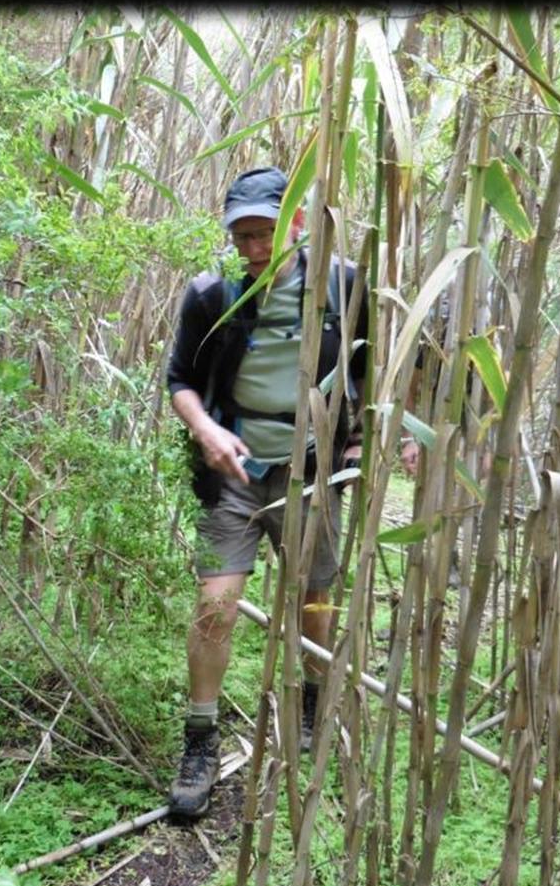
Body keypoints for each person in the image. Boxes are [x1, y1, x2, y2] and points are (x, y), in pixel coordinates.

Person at [165, 166, 413, 817]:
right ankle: (199, 739)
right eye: (240, 235)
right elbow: (179, 382)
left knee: (314, 598)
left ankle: (310, 707)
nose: (250, 249)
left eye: (263, 234)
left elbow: (371, 370)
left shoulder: (340, 286)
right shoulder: (210, 294)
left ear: (296, 228)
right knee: (215, 606)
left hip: (311, 465)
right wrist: (207, 431)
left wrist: (372, 437)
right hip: (233, 472)